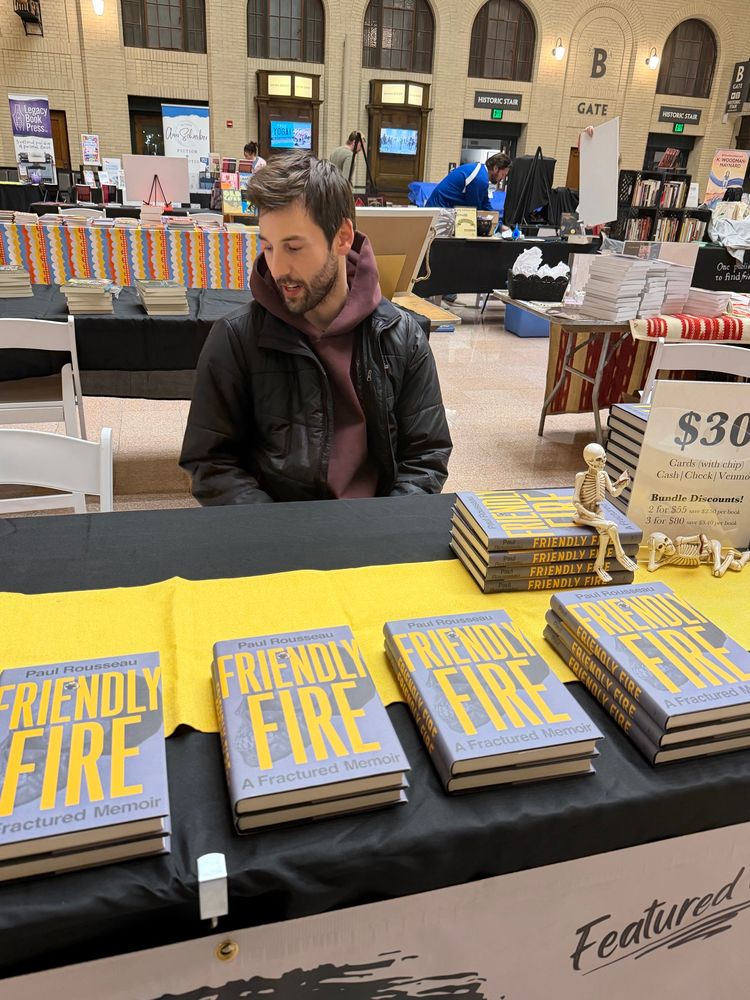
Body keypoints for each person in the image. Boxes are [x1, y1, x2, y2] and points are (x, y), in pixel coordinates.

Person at [180, 151, 452, 505]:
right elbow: (210, 461)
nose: (278, 268)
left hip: (373, 535)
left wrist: (384, 529)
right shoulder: (236, 338)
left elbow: (425, 456)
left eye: (294, 248)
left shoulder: (400, 336)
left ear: (342, 237)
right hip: (277, 537)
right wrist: (280, 534)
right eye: (268, 247)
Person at [426, 153, 511, 210]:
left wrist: (498, 225)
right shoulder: (480, 179)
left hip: (441, 205)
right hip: (439, 207)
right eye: (503, 174)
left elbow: (485, 203)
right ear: (495, 168)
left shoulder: (480, 172)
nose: (502, 178)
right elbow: (473, 208)